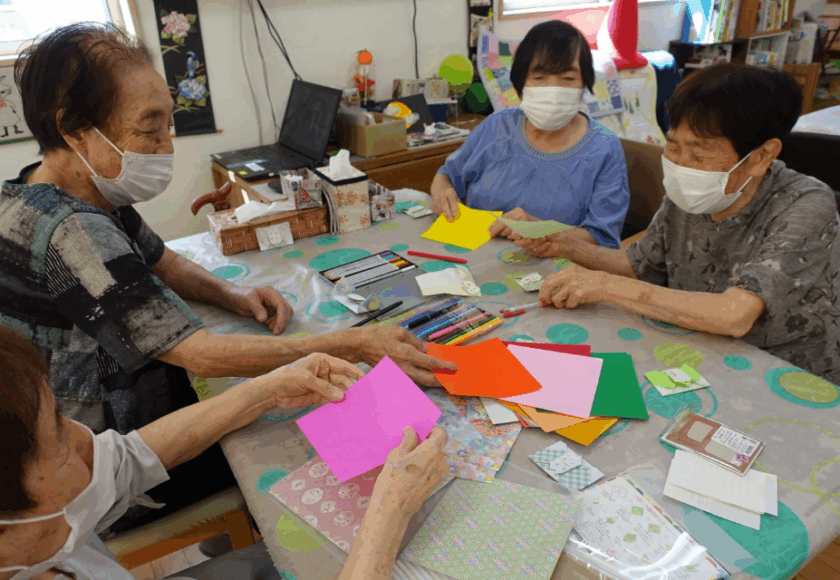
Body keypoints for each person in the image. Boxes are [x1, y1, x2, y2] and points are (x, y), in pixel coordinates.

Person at [2, 21, 454, 532]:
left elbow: (160, 259)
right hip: (88, 466)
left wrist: (233, 294)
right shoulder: (72, 231)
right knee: (290, 448)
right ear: (74, 131)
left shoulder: (65, 189)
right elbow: (200, 354)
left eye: (168, 122)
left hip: (100, 413)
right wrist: (356, 343)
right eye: (149, 127)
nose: (166, 144)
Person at [0, 327, 449, 580]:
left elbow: (128, 458)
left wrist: (267, 389)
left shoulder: (32, 542)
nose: (85, 438)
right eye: (58, 439)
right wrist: (386, 516)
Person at [529, 63, 840, 384]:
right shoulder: (694, 191)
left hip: (784, 371)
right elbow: (638, 264)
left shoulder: (806, 203)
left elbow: (734, 315)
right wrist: (566, 245)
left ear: (761, 156)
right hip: (699, 345)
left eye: (700, 153)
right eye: (674, 145)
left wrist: (605, 286)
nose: (680, 165)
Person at [429, 21, 630, 249]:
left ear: (585, 83)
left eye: (568, 79)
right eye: (539, 78)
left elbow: (603, 238)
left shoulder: (604, 149)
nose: (553, 91)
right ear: (519, 83)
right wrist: (444, 192)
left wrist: (539, 228)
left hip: (553, 273)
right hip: (473, 256)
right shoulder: (497, 125)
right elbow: (446, 176)